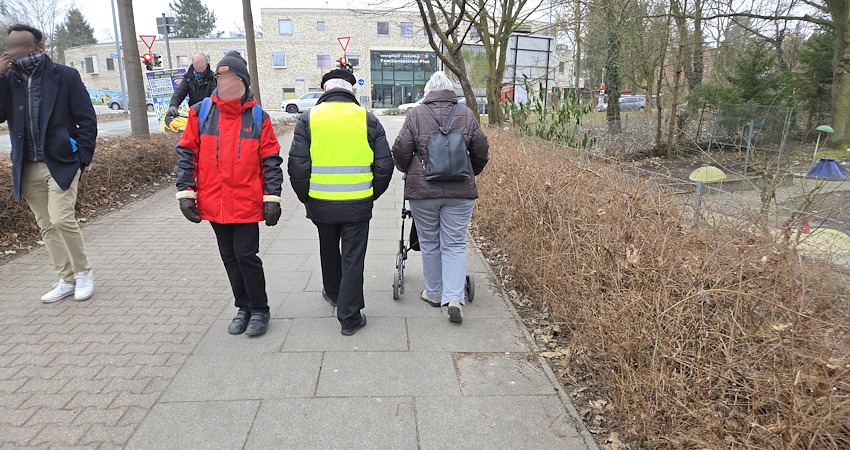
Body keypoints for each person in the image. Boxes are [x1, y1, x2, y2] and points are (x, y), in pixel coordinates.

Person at [175, 51, 283, 337]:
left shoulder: (259, 117)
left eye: (234, 78)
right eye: (223, 78)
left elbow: (270, 159)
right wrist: (185, 191)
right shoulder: (201, 113)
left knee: (246, 255)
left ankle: (260, 309)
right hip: (215, 201)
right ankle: (243, 307)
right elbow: (187, 153)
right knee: (229, 257)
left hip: (246, 201)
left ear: (244, 82)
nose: (228, 83)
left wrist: (273, 197)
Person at [288, 69, 393, 336]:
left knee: (328, 248)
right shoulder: (367, 119)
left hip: (321, 201)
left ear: (325, 90)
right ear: (351, 91)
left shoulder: (309, 118)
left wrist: (307, 198)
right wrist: (371, 193)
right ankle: (349, 316)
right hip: (357, 202)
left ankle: (333, 293)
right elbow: (384, 164)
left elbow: (298, 166)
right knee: (353, 257)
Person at [0, 24, 97, 303]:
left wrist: (81, 159)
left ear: (39, 48)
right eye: (11, 48)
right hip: (26, 164)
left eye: (21, 47)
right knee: (46, 224)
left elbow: (87, 121)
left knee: (61, 219)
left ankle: (83, 273)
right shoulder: (8, 80)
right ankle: (65, 279)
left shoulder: (64, 76)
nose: (15, 53)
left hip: (61, 162)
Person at [390, 71, 489, 323]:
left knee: (430, 241)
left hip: (424, 192)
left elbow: (401, 150)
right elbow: (481, 149)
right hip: (460, 192)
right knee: (455, 243)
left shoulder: (415, 114)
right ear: (450, 91)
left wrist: (408, 168)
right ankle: (454, 298)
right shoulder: (465, 114)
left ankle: (434, 293)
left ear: (428, 92)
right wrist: (469, 172)